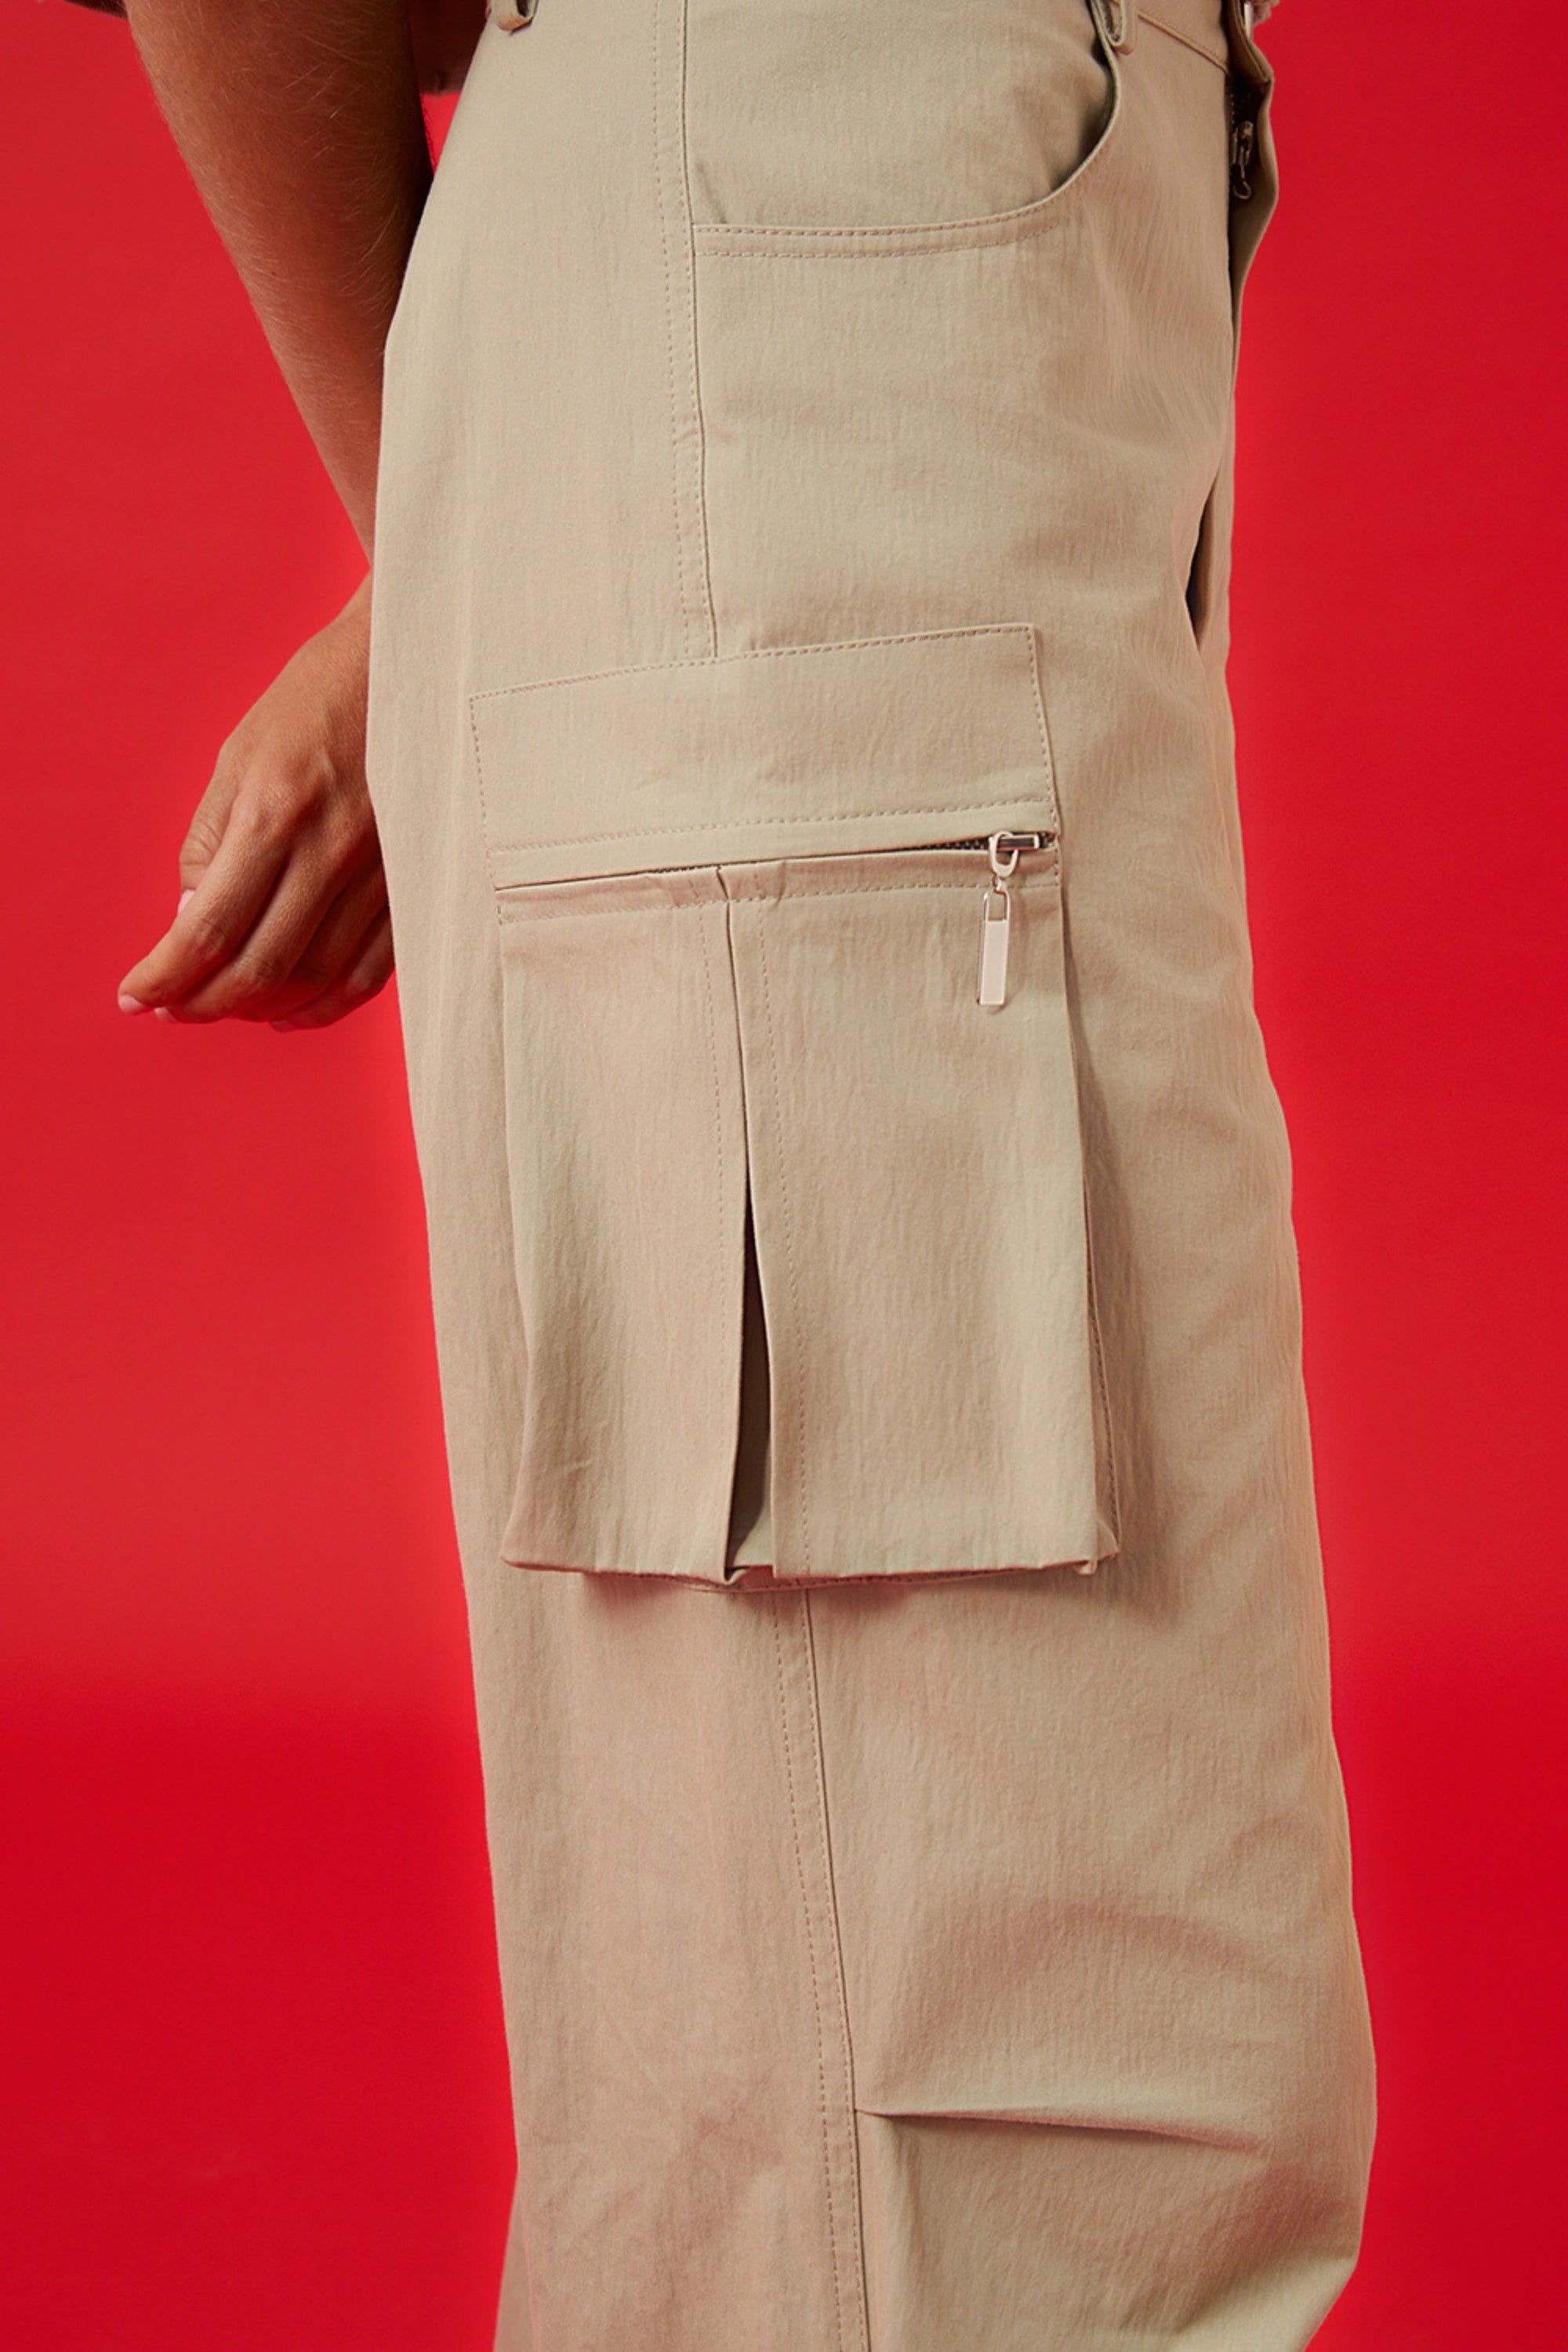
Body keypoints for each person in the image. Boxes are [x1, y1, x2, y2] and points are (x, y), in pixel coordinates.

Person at [100, 0, 1375, 2342]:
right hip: (820, 188)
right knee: (995, 2041)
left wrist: (477, 538)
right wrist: (465, 533)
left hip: (977, 259)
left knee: (1056, 2018)